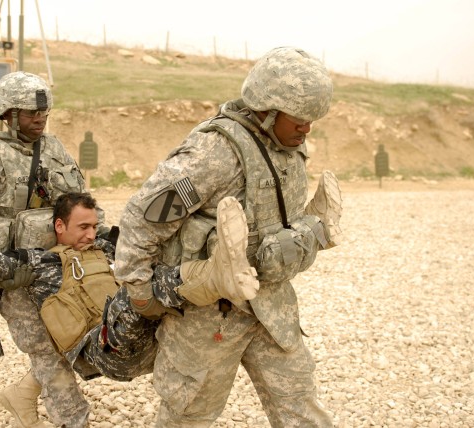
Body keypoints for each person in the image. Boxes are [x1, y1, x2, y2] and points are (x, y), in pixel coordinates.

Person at [114, 46, 343, 427]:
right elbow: (144, 215)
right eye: (300, 118)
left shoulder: (286, 147)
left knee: (301, 408)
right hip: (208, 317)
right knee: (189, 415)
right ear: (267, 110)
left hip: (271, 307)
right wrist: (138, 287)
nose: (307, 128)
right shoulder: (216, 151)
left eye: (312, 120)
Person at [0, 192, 259, 389]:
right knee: (134, 289)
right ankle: (215, 276)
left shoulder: (108, 249)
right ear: (59, 226)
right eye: (82, 227)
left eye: (94, 226)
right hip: (101, 349)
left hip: (148, 339)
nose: (90, 234)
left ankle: (221, 267)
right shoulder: (40, 264)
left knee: (152, 273)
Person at [0, 72, 107, 428]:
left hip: (59, 268)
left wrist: (103, 237)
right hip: (15, 278)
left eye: (44, 112)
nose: (39, 119)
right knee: (46, 350)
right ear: (7, 113)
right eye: (30, 113)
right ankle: (74, 420)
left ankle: (21, 395)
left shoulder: (54, 150)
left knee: (79, 338)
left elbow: (81, 202)